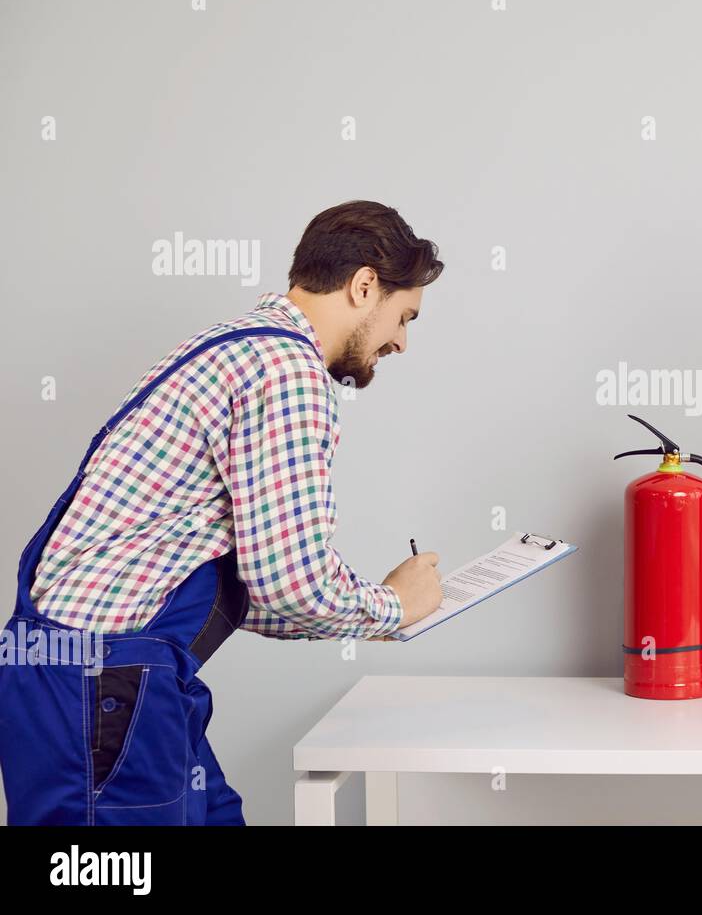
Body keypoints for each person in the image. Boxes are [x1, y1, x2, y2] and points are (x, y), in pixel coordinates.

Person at [0, 200, 445, 825]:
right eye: (404, 316)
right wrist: (395, 605)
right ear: (364, 284)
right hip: (103, 686)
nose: (401, 340)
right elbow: (295, 584)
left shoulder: (235, 347)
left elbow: (261, 589)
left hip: (105, 679)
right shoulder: (287, 371)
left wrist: (370, 612)